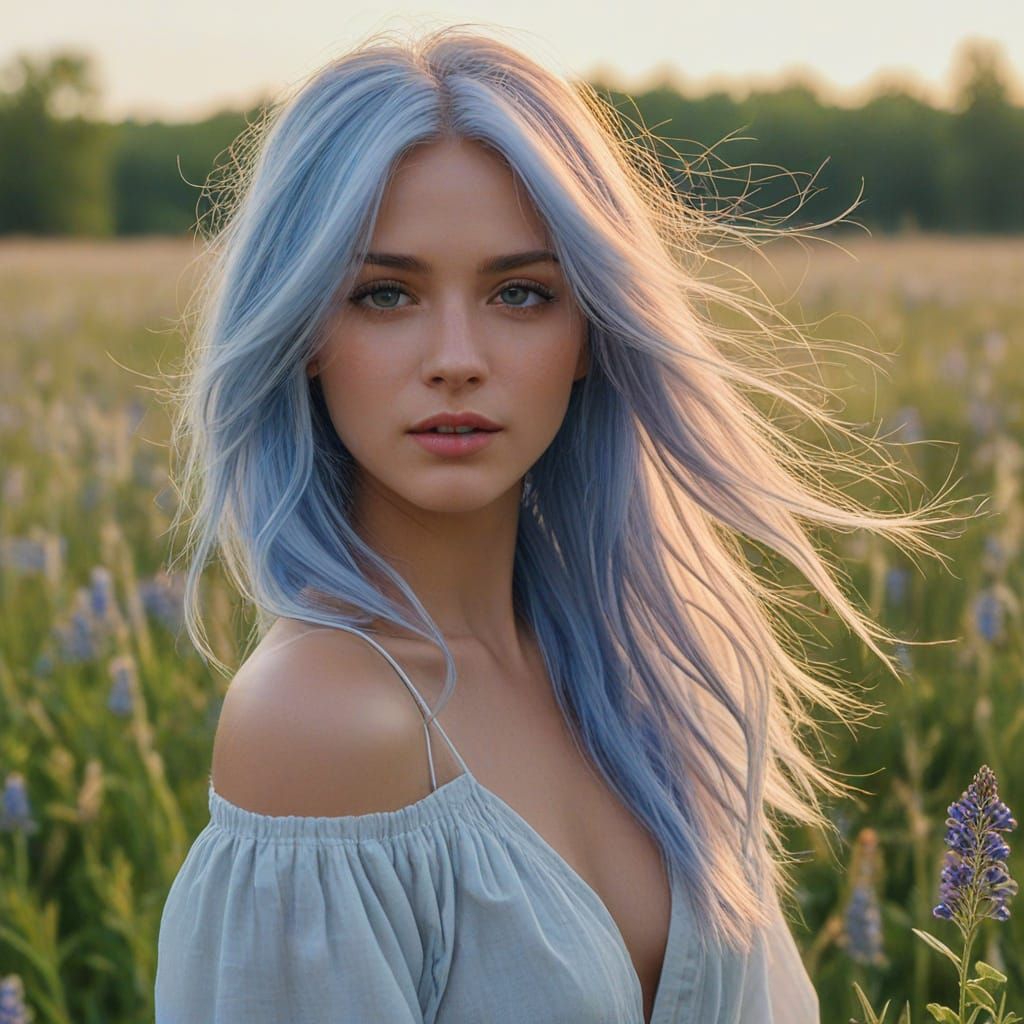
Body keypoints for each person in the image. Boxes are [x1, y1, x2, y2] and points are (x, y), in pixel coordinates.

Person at [153, 22, 960, 1024]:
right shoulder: (321, 723)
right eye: (386, 293)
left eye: (520, 292)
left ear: (589, 332)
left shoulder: (643, 664)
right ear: (307, 331)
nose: (456, 355)